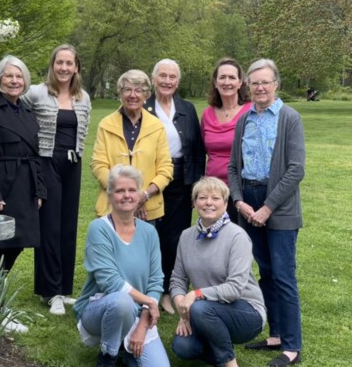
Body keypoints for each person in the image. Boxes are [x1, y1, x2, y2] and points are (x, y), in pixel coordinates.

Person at [228, 59, 305, 367]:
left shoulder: (290, 118)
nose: (259, 87)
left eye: (265, 82)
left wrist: (268, 207)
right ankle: (274, 334)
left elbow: (296, 169)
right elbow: (234, 167)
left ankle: (291, 346)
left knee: (284, 276)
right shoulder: (245, 120)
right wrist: (239, 201)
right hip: (248, 202)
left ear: (276, 85)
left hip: (279, 205)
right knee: (265, 272)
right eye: (254, 83)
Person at [74, 165, 170, 367]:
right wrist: (151, 303)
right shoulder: (99, 228)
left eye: (131, 190)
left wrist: (143, 324)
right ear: (110, 196)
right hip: (100, 309)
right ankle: (108, 356)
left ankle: (125, 349)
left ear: (139, 195)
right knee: (121, 302)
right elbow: (110, 282)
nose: (126, 195)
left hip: (139, 312)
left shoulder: (149, 232)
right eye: (119, 191)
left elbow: (155, 281)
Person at [20, 44, 91, 316]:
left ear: (76, 68)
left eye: (69, 63)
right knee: (49, 226)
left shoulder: (83, 97)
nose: (64, 68)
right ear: (52, 65)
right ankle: (49, 292)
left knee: (68, 227)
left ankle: (62, 289)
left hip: (73, 164)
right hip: (47, 162)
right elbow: (18, 114)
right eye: (59, 62)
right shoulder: (36, 93)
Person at [170, 176, 266, 367]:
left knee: (200, 307)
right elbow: (177, 280)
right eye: (202, 197)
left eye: (215, 198)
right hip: (204, 310)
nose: (208, 203)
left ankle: (229, 363)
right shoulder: (186, 236)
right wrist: (183, 311)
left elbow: (235, 289)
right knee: (183, 346)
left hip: (246, 311)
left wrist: (197, 295)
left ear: (225, 202)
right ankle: (217, 341)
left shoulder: (237, 236)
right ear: (194, 202)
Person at [0, 55, 46, 273]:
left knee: (19, 241)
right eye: (9, 76)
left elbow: (35, 153)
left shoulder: (26, 111)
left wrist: (39, 190)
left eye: (19, 76)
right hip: (1, 186)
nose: (14, 81)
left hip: (25, 187)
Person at [143, 58, 205, 314]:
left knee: (175, 239)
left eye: (172, 77)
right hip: (151, 181)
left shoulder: (187, 108)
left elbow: (198, 150)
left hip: (181, 180)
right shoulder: (143, 106)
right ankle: (147, 289)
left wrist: (196, 186)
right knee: (149, 236)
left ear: (177, 81)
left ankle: (169, 290)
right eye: (163, 76)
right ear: (154, 78)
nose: (167, 81)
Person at [91, 69, 173, 224]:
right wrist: (123, 194)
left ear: (146, 95)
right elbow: (98, 165)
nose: (133, 95)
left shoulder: (156, 126)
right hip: (111, 207)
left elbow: (165, 169)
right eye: (127, 89)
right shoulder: (106, 124)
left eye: (139, 90)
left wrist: (143, 196)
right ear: (120, 93)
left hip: (147, 210)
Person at [201, 57, 252, 223]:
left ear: (240, 82)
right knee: (214, 242)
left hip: (243, 189)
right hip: (214, 192)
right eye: (222, 77)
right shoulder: (207, 115)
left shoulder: (251, 111)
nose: (227, 82)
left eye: (232, 77)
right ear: (215, 83)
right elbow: (201, 152)